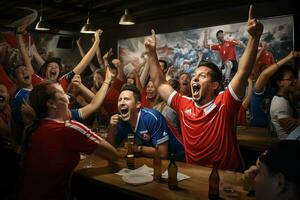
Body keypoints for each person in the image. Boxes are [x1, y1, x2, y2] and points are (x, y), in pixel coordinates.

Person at [144, 5, 263, 170]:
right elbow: (160, 83)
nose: (194, 78)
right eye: (194, 76)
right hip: (195, 175)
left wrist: (254, 38)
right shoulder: (183, 104)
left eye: (202, 76)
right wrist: (151, 53)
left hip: (227, 176)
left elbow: (242, 72)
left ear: (215, 85)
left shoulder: (225, 102)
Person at [16, 81, 125, 200]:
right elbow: (114, 156)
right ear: (52, 104)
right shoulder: (68, 128)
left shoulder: (32, 128)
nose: (68, 97)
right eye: (63, 93)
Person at [107, 84, 185, 161]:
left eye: (126, 99)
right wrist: (112, 128)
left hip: (178, 157)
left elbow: (162, 154)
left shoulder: (152, 117)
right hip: (152, 160)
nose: (122, 103)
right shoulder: (122, 121)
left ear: (138, 104)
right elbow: (111, 148)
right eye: (119, 100)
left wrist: (136, 149)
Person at [250, 51, 300, 128]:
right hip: (258, 128)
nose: (270, 72)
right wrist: (289, 57)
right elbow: (264, 75)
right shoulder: (259, 88)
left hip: (269, 128)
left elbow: (296, 86)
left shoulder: (275, 88)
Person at [269, 65, 299, 139]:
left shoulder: (287, 96)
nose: (295, 80)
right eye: (290, 78)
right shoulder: (279, 103)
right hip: (289, 144)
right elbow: (290, 127)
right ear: (279, 83)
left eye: (294, 78)